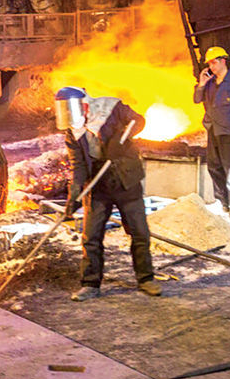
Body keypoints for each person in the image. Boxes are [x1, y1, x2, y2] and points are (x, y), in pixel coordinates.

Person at [55, 86, 160, 300]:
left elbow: (138, 120)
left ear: (83, 105)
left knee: (139, 232)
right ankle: (90, 284)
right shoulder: (72, 132)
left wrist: (119, 140)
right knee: (91, 237)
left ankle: (146, 279)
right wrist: (74, 195)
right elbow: (78, 165)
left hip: (125, 180)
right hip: (97, 186)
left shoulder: (111, 107)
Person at [193, 45, 230, 221]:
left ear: (223, 61)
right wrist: (201, 84)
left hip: (229, 131)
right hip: (213, 130)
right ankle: (222, 202)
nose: (211, 66)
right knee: (214, 166)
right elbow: (196, 99)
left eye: (213, 62)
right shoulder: (210, 83)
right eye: (209, 63)